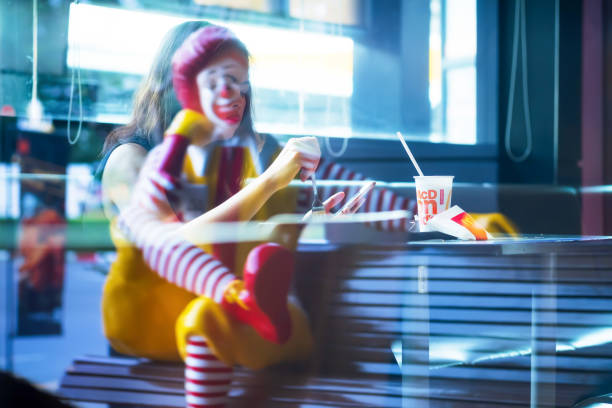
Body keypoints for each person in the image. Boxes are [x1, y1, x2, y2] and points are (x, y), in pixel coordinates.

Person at [100, 21, 415, 408]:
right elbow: (171, 246)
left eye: (240, 82)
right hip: (162, 329)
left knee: (370, 350)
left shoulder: (253, 151)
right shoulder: (132, 158)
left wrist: (446, 215)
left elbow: (350, 188)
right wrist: (267, 183)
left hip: (247, 320)